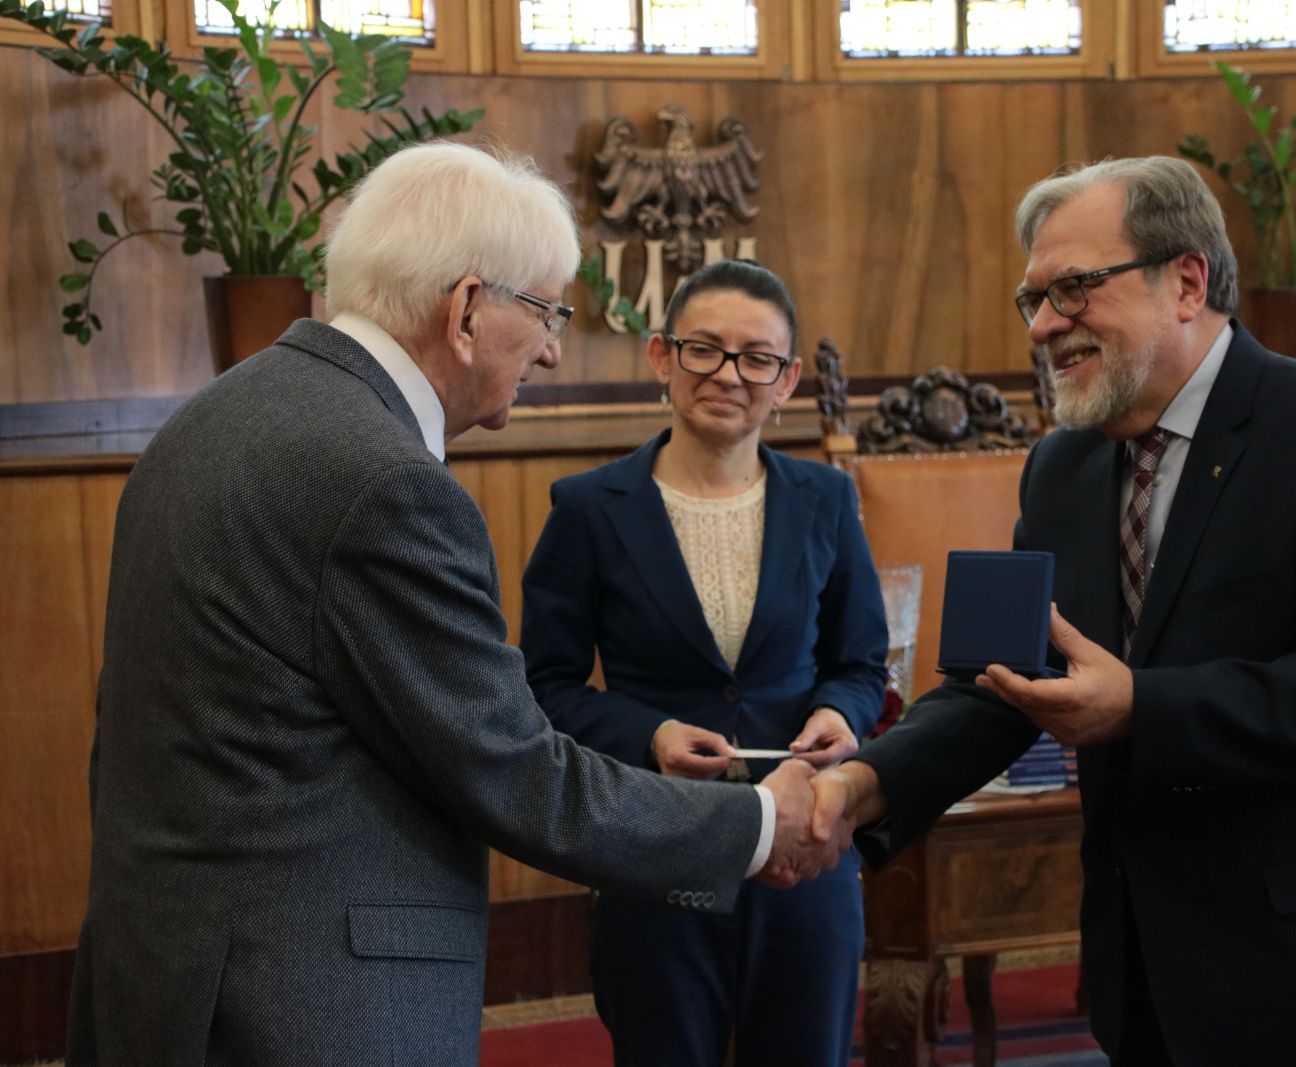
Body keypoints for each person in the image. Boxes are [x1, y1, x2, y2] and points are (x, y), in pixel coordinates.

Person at [64, 143, 840, 1067]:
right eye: (547, 311)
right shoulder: (383, 481)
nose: (553, 347)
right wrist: (757, 822)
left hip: (167, 973)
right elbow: (516, 773)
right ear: (469, 308)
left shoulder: (212, 418)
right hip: (301, 1004)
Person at [805, 156, 1296, 1066]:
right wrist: (862, 784)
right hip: (1149, 975)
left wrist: (1140, 707)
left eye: (1074, 289)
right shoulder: (1061, 466)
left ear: (1186, 280)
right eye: (1033, 299)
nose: (1044, 325)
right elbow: (1003, 678)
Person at [518, 258, 888, 1067]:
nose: (729, 374)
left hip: (805, 847)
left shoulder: (826, 498)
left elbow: (861, 663)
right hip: (657, 846)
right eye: (704, 350)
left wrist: (840, 713)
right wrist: (649, 732)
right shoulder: (587, 509)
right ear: (661, 356)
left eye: (757, 357)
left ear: (787, 377)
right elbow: (542, 687)